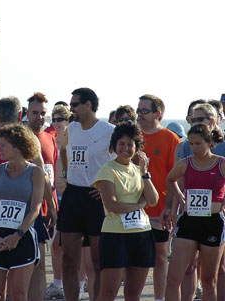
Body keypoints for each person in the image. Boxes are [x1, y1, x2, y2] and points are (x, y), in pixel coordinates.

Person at [57, 87, 115, 300]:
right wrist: (66, 171)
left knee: (99, 261)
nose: (71, 109)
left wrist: (108, 188)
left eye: (74, 105)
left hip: (96, 198)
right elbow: (64, 151)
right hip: (73, 196)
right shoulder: (71, 128)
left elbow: (124, 162)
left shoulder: (108, 130)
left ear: (88, 105)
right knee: (69, 260)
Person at [93, 122, 158, 300]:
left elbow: (153, 200)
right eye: (121, 144)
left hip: (142, 233)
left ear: (137, 147)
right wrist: (138, 205)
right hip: (115, 235)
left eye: (130, 144)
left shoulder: (139, 170)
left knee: (134, 294)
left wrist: (145, 173)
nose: (126, 148)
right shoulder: (108, 170)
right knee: (108, 292)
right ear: (114, 146)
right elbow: (112, 205)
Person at [0, 123, 44, 300]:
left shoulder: (35, 173)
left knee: (19, 294)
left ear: (18, 147)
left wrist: (17, 236)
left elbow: (36, 207)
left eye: (3, 145)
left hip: (22, 238)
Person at [165, 123, 225, 301]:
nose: (194, 148)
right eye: (190, 144)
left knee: (208, 280)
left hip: (213, 222)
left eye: (198, 144)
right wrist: (180, 198)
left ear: (209, 142)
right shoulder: (185, 164)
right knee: (173, 277)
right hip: (189, 221)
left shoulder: (221, 163)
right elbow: (170, 180)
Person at [136, 94, 180, 301]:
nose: (139, 115)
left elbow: (176, 178)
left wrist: (171, 209)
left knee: (161, 256)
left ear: (158, 114)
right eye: (138, 110)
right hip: (132, 208)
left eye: (144, 111)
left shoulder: (171, 139)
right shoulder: (133, 138)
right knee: (136, 259)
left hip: (159, 209)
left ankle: (159, 298)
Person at [26, 92, 59, 301]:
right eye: (35, 113)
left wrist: (54, 206)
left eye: (43, 113)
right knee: (23, 263)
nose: (39, 117)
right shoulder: (20, 139)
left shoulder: (50, 138)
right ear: (26, 113)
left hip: (47, 208)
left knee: (41, 262)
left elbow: (52, 176)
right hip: (26, 209)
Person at [45, 104, 71, 299]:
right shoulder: (51, 142)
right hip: (55, 196)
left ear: (69, 120)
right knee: (56, 245)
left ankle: (74, 283)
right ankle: (58, 284)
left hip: (72, 197)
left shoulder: (74, 143)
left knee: (74, 246)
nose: (57, 122)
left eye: (61, 118)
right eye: (54, 119)